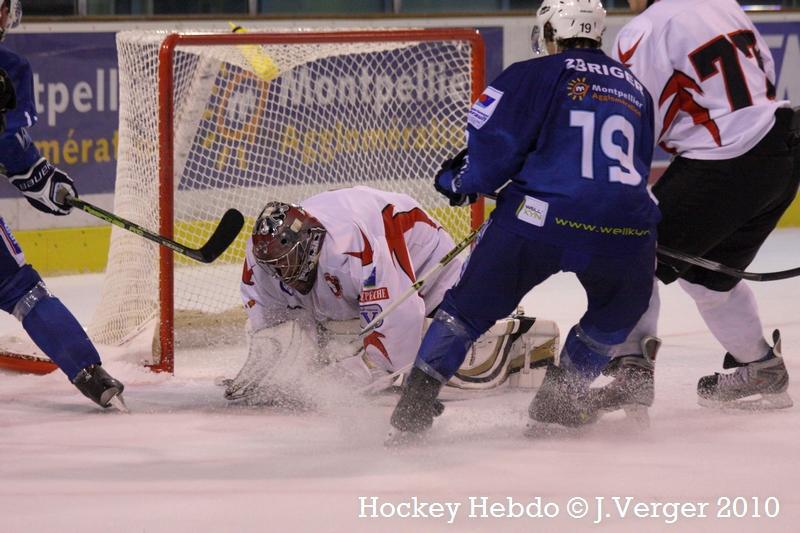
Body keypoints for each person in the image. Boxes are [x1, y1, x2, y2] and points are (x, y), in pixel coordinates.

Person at [387, 0, 661, 439]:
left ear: (551, 31)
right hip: (627, 230)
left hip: (538, 221)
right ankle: (559, 400)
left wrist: (459, 182)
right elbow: (636, 167)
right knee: (614, 316)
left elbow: (493, 151)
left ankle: (416, 404)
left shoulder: (533, 74)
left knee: (467, 310)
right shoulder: (637, 89)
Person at [614, 0, 798, 409]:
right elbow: (764, 73)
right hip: (782, 151)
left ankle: (632, 373)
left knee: (630, 247)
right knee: (705, 276)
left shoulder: (644, 29)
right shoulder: (722, 3)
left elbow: (635, 120)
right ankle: (761, 367)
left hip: (726, 164)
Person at [223, 185, 559, 404]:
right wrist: (271, 365)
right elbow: (272, 325)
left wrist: (353, 374)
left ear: (310, 243)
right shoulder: (264, 258)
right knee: (334, 349)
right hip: (358, 279)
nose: (282, 272)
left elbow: (399, 324)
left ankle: (515, 341)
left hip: (427, 269)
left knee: (426, 362)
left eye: (287, 262)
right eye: (276, 266)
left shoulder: (355, 246)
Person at [0, 0, 125, 409]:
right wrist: (38, 180)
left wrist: (43, 182)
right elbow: (14, 152)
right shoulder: (9, 70)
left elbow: (14, 151)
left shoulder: (10, 70)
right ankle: (88, 372)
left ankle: (90, 372)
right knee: (21, 291)